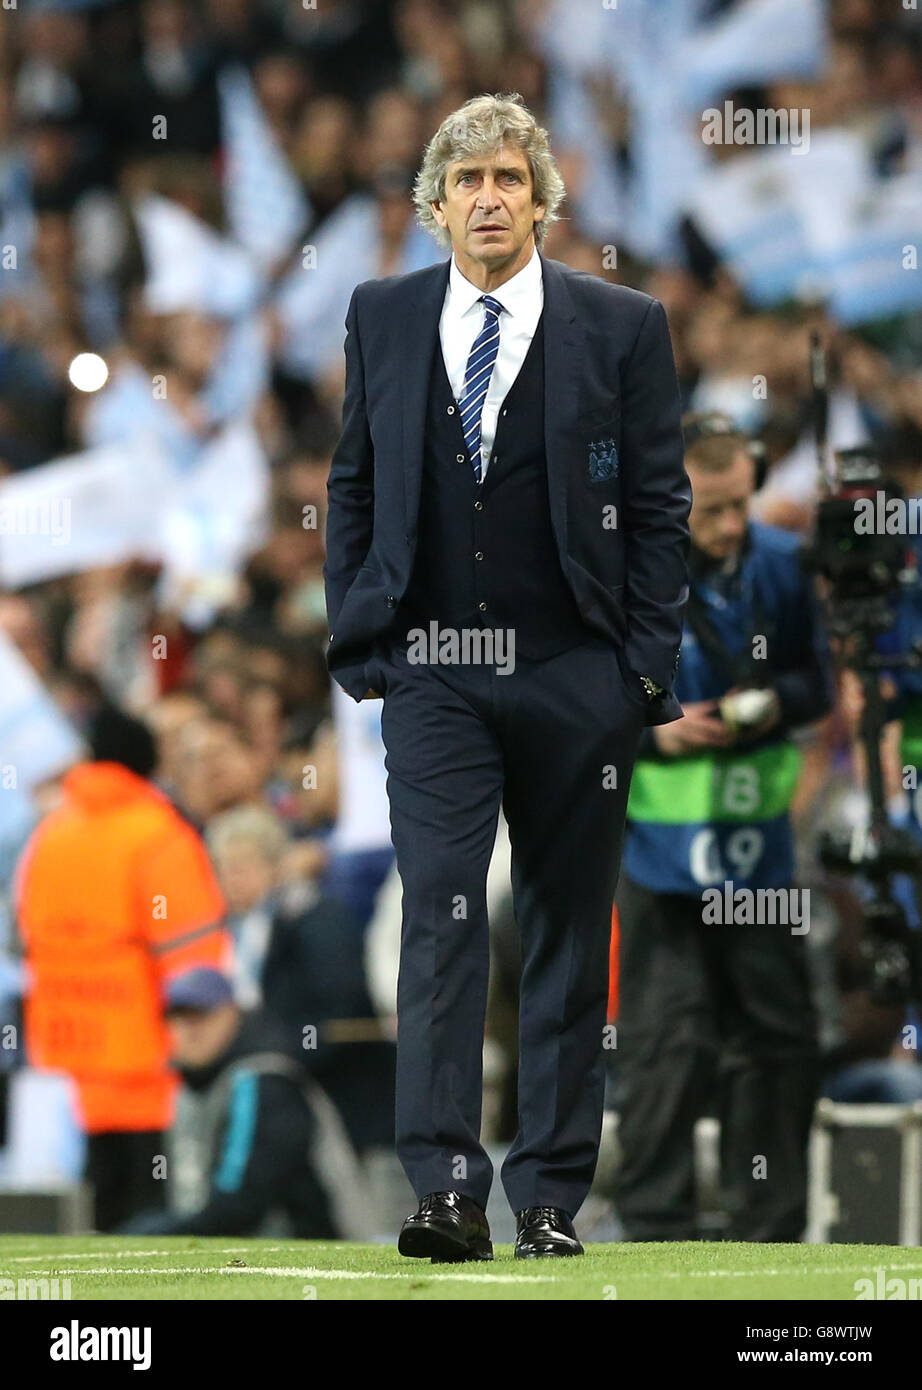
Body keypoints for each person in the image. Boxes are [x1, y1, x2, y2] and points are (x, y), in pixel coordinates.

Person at [323, 92, 690, 1260]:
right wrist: (362, 637)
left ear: (544, 202)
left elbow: (659, 508)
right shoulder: (378, 314)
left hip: (576, 671)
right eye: (468, 180)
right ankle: (441, 1190)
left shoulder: (624, 323)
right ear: (435, 207)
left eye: (511, 181)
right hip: (431, 670)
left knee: (568, 934)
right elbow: (352, 484)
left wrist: (639, 673)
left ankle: (546, 1200)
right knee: (436, 919)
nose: (490, 198)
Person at [612, 412, 834, 1242]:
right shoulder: (622, 573)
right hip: (659, 851)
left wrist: (776, 703)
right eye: (710, 510)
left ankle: (773, 1224)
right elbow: (571, 697)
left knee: (779, 1034)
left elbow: (815, 679)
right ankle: (655, 1225)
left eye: (741, 504)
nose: (731, 526)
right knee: (668, 1039)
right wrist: (651, 729)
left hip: (757, 846)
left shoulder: (781, 566)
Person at [15, 704, 231, 1231]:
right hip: (142, 1041)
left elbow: (26, 931)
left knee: (101, 1183)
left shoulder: (52, 833)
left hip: (72, 1034)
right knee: (151, 1190)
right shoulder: (158, 833)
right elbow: (192, 951)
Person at [120, 967, 367, 1239]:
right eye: (177, 1018)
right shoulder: (188, 1087)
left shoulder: (264, 1079)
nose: (188, 1032)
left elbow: (241, 1201)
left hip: (300, 1248)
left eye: (200, 1017)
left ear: (232, 1016)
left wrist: (153, 1233)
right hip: (234, 1247)